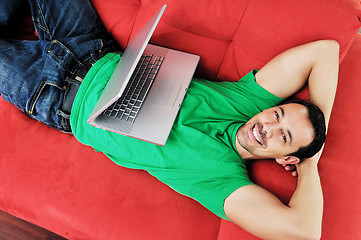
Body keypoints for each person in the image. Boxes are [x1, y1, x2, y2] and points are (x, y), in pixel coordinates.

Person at [0, 0, 339, 239]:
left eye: (283, 137)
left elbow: (304, 232)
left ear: (286, 157)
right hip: (90, 45)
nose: (267, 128)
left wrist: (310, 161)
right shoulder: (244, 103)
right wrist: (317, 124)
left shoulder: (221, 179)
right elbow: (323, 52)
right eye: (278, 115)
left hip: (54, 95)